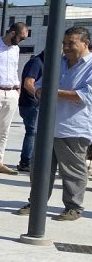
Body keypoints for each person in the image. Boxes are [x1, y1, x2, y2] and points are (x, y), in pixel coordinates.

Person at [17, 26, 92, 221]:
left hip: (73, 128)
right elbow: (39, 87)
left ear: (85, 43)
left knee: (73, 171)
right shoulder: (57, 62)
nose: (66, 47)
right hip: (47, 125)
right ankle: (36, 202)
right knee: (39, 169)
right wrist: (47, 90)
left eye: (71, 43)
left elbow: (84, 97)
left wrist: (53, 91)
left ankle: (73, 207)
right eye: (64, 43)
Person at [0, 22, 29, 176]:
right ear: (12, 33)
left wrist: (17, 88)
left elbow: (15, 69)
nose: (22, 41)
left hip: (11, 92)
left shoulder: (16, 49)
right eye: (21, 37)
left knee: (4, 129)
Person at [17, 51, 44, 172]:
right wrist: (39, 96)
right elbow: (28, 84)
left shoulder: (43, 62)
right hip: (31, 104)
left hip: (33, 104)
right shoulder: (36, 62)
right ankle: (25, 162)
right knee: (32, 132)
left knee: (34, 132)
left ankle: (28, 160)